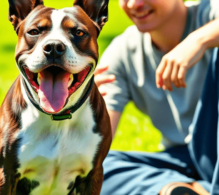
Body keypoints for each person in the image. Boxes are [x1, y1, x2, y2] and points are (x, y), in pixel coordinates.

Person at [94, 0, 219, 194]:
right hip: (182, 158)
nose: (134, 4)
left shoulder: (210, 11)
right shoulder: (122, 53)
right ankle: (181, 189)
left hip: (213, 147)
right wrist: (80, 107)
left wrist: (198, 41)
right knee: (99, 168)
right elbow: (98, 146)